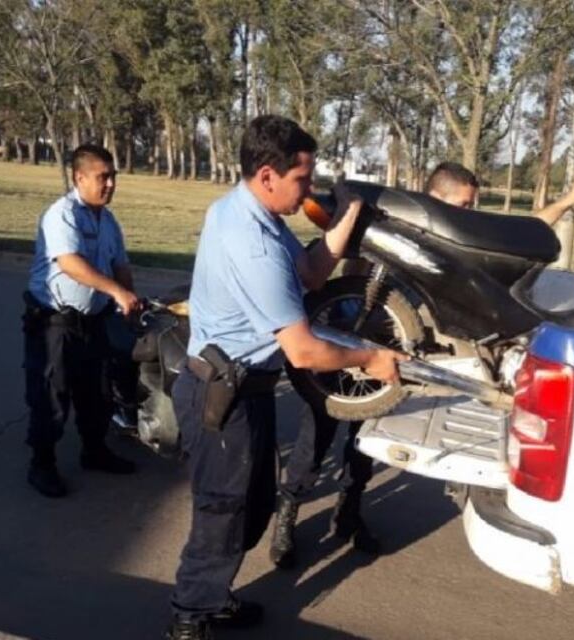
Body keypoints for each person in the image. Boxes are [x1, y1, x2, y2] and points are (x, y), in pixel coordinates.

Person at [267, 161, 574, 570]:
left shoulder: (455, 241)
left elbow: (520, 234)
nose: (467, 214)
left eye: (471, 205)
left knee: (363, 447)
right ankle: (286, 520)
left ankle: (348, 516)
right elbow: (343, 268)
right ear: (434, 200)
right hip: (343, 348)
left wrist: (570, 198)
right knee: (313, 442)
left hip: (392, 359)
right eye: (461, 206)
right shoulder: (391, 228)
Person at [166, 115, 405, 640]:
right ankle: (190, 615)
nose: (309, 189)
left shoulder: (252, 213)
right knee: (222, 511)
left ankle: (211, 596)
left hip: (244, 388)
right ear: (268, 175)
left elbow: (313, 274)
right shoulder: (253, 242)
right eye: (302, 178)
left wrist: (348, 217)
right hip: (220, 395)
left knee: (249, 508)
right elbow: (302, 351)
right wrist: (370, 359)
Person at [22, 144, 140, 498]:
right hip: (55, 321)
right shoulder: (62, 214)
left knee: (98, 392)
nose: (111, 184)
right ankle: (42, 464)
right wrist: (116, 291)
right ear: (79, 178)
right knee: (52, 394)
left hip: (94, 320)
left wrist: (130, 298)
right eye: (103, 177)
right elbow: (70, 263)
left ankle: (95, 451)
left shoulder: (108, 221)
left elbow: (120, 265)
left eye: (113, 176)